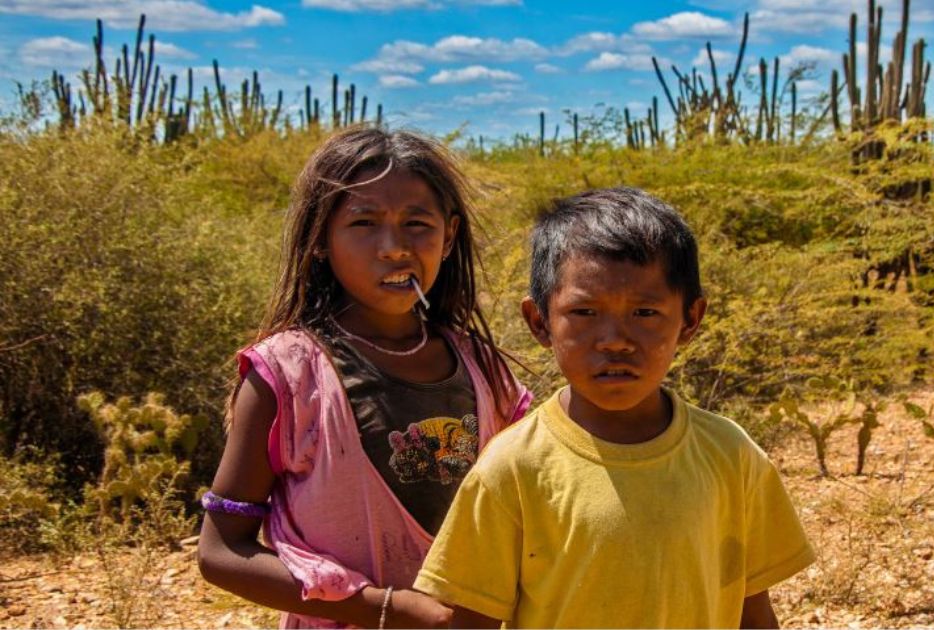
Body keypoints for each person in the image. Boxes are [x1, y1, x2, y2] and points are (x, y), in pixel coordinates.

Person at [414, 187, 814, 628]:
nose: (615, 340)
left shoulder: (730, 455)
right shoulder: (512, 468)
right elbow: (471, 621)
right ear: (539, 322)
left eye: (645, 313)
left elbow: (752, 609)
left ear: (691, 319)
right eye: (584, 312)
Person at [197, 127, 531, 629]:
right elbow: (221, 550)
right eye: (363, 223)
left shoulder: (485, 372)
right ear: (321, 242)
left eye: (417, 223)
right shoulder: (287, 378)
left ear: (450, 236)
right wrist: (386, 608)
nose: (393, 247)